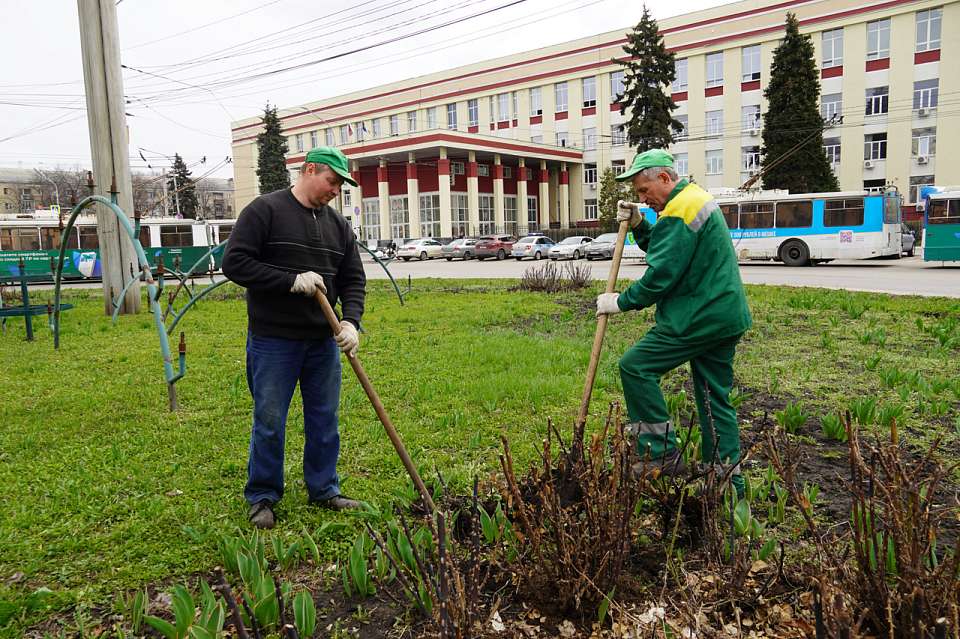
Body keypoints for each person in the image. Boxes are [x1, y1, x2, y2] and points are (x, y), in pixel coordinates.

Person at [222, 146, 367, 529]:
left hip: (322, 341)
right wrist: (291, 281)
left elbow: (353, 279)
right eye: (332, 181)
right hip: (274, 340)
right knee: (270, 419)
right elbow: (235, 263)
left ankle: (324, 489)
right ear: (309, 170)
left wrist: (351, 321)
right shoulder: (265, 210)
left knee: (324, 418)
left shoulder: (338, 226)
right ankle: (263, 496)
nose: (336, 190)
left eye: (341, 185)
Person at [595, 149, 752, 495]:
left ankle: (660, 453)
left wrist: (620, 301)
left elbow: (662, 273)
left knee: (636, 366)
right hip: (724, 314)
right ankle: (726, 481)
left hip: (698, 317)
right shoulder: (691, 201)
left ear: (664, 178)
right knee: (714, 399)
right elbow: (669, 249)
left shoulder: (680, 210)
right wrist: (640, 224)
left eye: (643, 190)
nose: (643, 198)